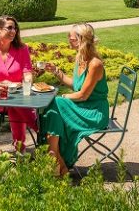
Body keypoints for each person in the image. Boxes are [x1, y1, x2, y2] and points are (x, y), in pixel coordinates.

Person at [40, 23, 109, 176]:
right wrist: (57, 72)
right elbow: (76, 85)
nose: (68, 41)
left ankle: (55, 158)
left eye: (70, 39)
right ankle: (59, 162)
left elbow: (83, 95)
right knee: (54, 110)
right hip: (82, 106)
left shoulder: (95, 64)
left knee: (55, 104)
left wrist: (61, 97)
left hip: (94, 112)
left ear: (81, 40)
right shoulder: (81, 58)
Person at [0, 15, 38, 151]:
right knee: (17, 105)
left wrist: (27, 80)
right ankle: (40, 131)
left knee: (16, 105)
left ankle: (19, 147)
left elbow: (27, 72)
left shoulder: (22, 49)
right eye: (9, 28)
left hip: (18, 95)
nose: (13, 31)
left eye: (15, 28)